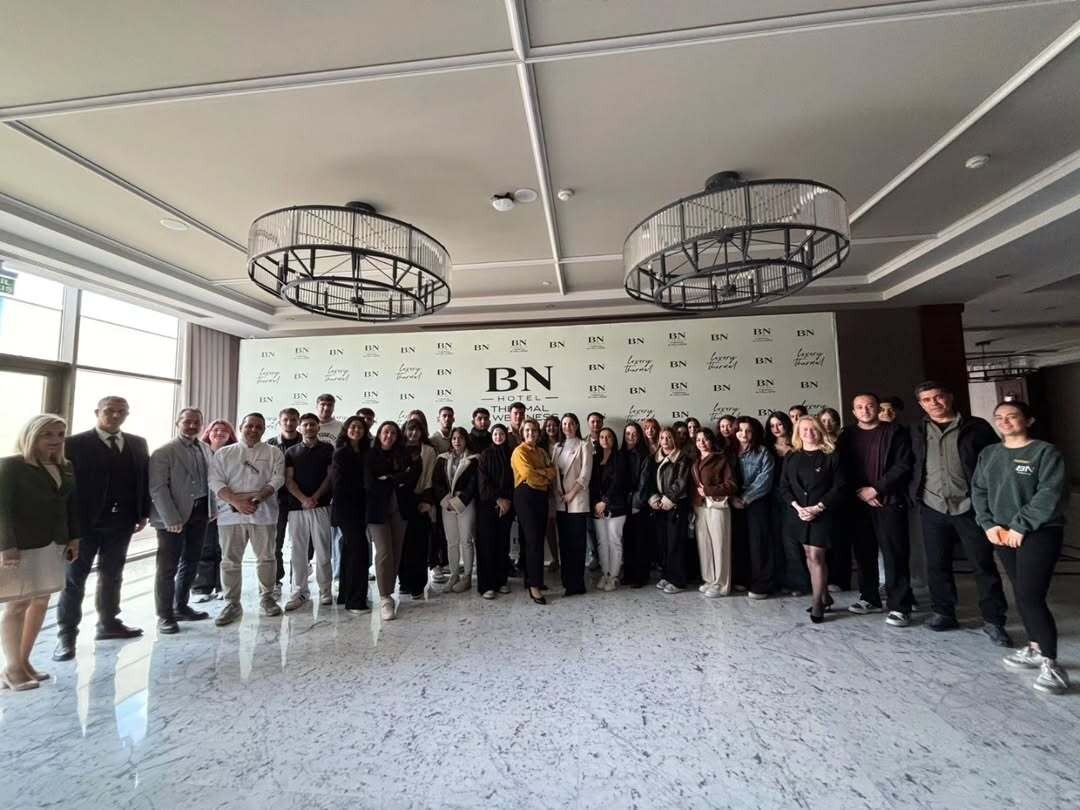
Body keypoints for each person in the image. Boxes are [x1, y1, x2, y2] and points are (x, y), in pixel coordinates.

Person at [972, 401, 1070, 694]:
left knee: (1030, 596)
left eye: (1012, 416)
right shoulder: (989, 453)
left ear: (1028, 420)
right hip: (1001, 533)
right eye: (999, 417)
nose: (1005, 421)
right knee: (1021, 592)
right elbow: (979, 490)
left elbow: (1049, 493)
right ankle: (1035, 647)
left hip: (1038, 532)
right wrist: (988, 524)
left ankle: (1052, 663)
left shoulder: (1045, 452)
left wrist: (1020, 525)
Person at [910, 381, 1010, 645]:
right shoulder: (917, 430)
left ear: (950, 397)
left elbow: (994, 463)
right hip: (932, 506)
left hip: (970, 507)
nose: (934, 403)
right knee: (937, 564)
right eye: (927, 400)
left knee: (982, 564)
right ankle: (944, 612)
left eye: (938, 397)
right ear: (921, 404)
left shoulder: (976, 427)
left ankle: (994, 620)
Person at [54, 396, 149, 662]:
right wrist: (67, 526)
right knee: (74, 579)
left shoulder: (137, 443)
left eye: (122, 411)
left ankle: (108, 623)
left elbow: (142, 479)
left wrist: (142, 513)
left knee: (113, 574)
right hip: (83, 526)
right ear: (97, 412)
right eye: (110, 411)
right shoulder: (73, 444)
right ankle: (66, 637)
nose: (116, 415)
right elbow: (64, 488)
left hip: (122, 522)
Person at [0, 415, 80, 691]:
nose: (55, 440)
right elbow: (2, 509)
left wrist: (74, 538)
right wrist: (6, 546)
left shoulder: (65, 466)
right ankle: (11, 668)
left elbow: (70, 505)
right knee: (17, 603)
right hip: (21, 546)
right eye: (48, 434)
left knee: (42, 600)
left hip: (54, 544)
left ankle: (24, 661)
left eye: (60, 434)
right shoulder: (11, 465)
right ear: (32, 434)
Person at [836, 393, 915, 627]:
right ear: (854, 412)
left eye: (869, 406)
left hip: (889, 501)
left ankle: (900, 606)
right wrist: (861, 491)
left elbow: (904, 464)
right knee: (864, 553)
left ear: (877, 408)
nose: (865, 410)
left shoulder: (895, 432)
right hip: (858, 502)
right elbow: (842, 467)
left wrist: (876, 489)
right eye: (859, 407)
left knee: (895, 553)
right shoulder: (847, 435)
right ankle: (869, 598)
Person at [208, 412, 286, 626]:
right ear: (241, 427)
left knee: (267, 558)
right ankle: (232, 603)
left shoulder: (273, 452)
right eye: (249, 425)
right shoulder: (224, 453)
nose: (253, 430)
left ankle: (267, 597)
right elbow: (215, 481)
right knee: (230, 560)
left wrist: (258, 498)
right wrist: (236, 501)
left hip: (263, 512)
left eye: (259, 427)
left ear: (264, 430)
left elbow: (278, 478)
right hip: (230, 514)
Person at [148, 407, 214, 634]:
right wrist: (170, 518)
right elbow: (157, 488)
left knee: (191, 561)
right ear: (178, 423)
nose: (192, 426)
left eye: (197, 422)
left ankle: (181, 606)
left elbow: (210, 482)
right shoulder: (164, 451)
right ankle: (164, 615)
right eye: (187, 422)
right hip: (173, 517)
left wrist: (212, 509)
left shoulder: (205, 448)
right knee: (167, 568)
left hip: (200, 514)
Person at [780, 416, 845, 623]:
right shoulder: (792, 456)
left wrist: (818, 507)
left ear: (820, 431)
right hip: (799, 514)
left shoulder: (832, 455)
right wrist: (797, 507)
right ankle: (825, 596)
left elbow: (840, 486)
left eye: (813, 429)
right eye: (804, 430)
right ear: (798, 433)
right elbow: (784, 486)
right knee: (808, 554)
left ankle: (817, 603)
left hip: (823, 514)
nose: (809, 433)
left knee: (816, 556)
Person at [281, 413, 334, 610]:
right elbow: (288, 480)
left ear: (318, 427)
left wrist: (315, 498)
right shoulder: (291, 452)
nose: (309, 428)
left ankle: (325, 590)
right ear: (300, 428)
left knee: (323, 551)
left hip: (321, 507)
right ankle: (300, 591)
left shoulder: (328, 449)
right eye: (305, 425)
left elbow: (330, 477)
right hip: (297, 508)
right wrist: (304, 499)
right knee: (298, 552)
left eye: (313, 424)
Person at [365, 421, 414, 621]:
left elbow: (409, 477)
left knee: (396, 551)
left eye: (393, 433)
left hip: (400, 508)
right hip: (377, 510)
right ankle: (385, 597)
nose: (389, 436)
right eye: (386, 432)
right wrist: (396, 478)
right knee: (384, 552)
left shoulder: (403, 454)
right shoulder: (370, 455)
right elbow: (369, 482)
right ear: (379, 434)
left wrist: (387, 478)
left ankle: (389, 591)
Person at [511, 419, 557, 605]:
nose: (531, 433)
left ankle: (533, 579)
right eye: (527, 430)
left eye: (534, 430)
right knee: (533, 541)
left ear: (538, 433)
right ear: (522, 433)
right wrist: (544, 475)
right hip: (525, 496)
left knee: (538, 539)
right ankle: (534, 586)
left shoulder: (542, 452)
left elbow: (553, 471)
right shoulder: (519, 451)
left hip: (541, 497)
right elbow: (528, 475)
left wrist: (543, 473)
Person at [691, 428, 738, 598]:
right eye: (698, 440)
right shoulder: (695, 462)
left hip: (717, 506)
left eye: (705, 439)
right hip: (700, 507)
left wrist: (709, 490)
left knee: (720, 545)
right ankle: (709, 580)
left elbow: (732, 485)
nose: (701, 443)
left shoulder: (721, 459)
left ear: (711, 441)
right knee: (705, 545)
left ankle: (722, 584)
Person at [732, 417, 776, 600]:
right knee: (739, 542)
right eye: (740, 430)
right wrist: (733, 498)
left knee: (759, 544)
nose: (744, 434)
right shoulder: (729, 451)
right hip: (733, 502)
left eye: (748, 430)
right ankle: (742, 578)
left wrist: (745, 498)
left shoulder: (763, 452)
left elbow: (765, 480)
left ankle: (762, 584)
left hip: (756, 502)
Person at [192, 419, 236, 601]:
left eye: (224, 431)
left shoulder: (234, 453)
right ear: (208, 433)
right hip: (204, 507)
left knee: (224, 548)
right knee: (205, 547)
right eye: (215, 430)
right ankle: (201, 588)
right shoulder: (200, 452)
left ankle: (222, 586)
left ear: (230, 435)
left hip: (228, 506)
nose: (219, 433)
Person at [331, 416, 370, 613]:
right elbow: (339, 485)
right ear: (346, 430)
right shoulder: (341, 453)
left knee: (349, 551)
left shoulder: (365, 452)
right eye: (353, 427)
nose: (356, 430)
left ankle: (345, 595)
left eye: (360, 427)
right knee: (359, 553)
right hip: (347, 509)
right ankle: (356, 601)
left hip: (361, 508)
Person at [432, 427, 478, 594]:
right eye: (454, 438)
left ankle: (467, 576)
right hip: (447, 503)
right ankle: (454, 575)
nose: (457, 441)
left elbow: (473, 484)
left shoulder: (474, 459)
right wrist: (446, 501)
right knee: (451, 541)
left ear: (466, 440)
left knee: (466, 540)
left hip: (466, 504)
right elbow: (436, 482)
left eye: (461, 438)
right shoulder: (442, 459)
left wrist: (459, 502)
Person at [552, 412, 593, 596]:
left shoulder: (584, 445)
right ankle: (567, 582)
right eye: (564, 424)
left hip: (576, 501)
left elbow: (585, 475)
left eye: (570, 423)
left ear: (576, 426)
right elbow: (553, 474)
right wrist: (558, 493)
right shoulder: (557, 447)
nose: (567, 427)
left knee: (577, 544)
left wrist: (571, 494)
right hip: (561, 502)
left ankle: (577, 585)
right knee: (565, 544)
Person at [765, 411, 806, 596]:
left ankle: (798, 583)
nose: (776, 428)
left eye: (779, 424)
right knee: (775, 541)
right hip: (771, 498)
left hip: (794, 499)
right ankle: (778, 581)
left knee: (792, 541)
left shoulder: (798, 445)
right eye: (772, 426)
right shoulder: (766, 447)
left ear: (786, 424)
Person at [650, 427, 692, 594]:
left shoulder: (682, 458)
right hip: (660, 506)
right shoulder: (655, 458)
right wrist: (654, 498)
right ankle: (667, 576)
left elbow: (681, 482)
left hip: (676, 505)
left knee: (676, 543)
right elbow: (650, 481)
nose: (665, 441)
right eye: (662, 437)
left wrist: (669, 498)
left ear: (674, 439)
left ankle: (678, 580)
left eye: (668, 437)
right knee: (664, 543)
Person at [397, 418, 435, 599]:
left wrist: (427, 501)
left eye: (417, 430)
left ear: (422, 432)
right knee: (402, 544)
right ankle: (403, 582)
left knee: (419, 544)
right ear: (404, 431)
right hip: (400, 503)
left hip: (420, 501)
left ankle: (418, 585)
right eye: (410, 429)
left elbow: (430, 478)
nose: (413, 433)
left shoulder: (428, 451)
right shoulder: (397, 449)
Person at [476, 424, 515, 598]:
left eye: (501, 434)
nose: (498, 437)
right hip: (488, 506)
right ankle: (487, 586)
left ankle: (501, 581)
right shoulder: (485, 455)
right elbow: (483, 482)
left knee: (503, 544)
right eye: (495, 434)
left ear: (506, 436)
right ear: (491, 436)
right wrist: (498, 499)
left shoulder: (512, 454)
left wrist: (507, 501)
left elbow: (515, 480)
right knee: (487, 545)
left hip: (507, 507)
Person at [266, 407, 301, 596]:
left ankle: (298, 581)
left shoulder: (306, 441)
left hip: (299, 501)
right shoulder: (270, 444)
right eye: (286, 420)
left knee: (301, 544)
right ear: (280, 422)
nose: (289, 423)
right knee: (275, 542)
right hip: (276, 501)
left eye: (293, 419)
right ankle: (276, 580)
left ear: (298, 421)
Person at [590, 427, 627, 592]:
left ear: (614, 439)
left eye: (609, 437)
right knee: (602, 542)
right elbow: (591, 484)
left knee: (614, 541)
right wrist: (596, 503)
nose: (605, 440)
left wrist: (605, 501)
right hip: (597, 507)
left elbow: (618, 482)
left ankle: (613, 576)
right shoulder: (594, 458)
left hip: (616, 506)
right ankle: (605, 574)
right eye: (602, 437)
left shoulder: (620, 457)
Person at [621, 422, 654, 589]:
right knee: (627, 540)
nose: (631, 437)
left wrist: (636, 504)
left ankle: (640, 576)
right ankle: (628, 574)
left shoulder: (645, 455)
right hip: (622, 504)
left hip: (638, 504)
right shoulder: (620, 453)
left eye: (634, 434)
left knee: (640, 541)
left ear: (639, 436)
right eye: (628, 433)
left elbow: (644, 482)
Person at [540, 415, 563, 570]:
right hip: (546, 490)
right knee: (549, 526)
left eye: (554, 425)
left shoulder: (565, 444)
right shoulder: (540, 446)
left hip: (563, 489)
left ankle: (565, 557)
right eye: (548, 425)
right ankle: (555, 558)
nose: (551, 428)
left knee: (564, 525)